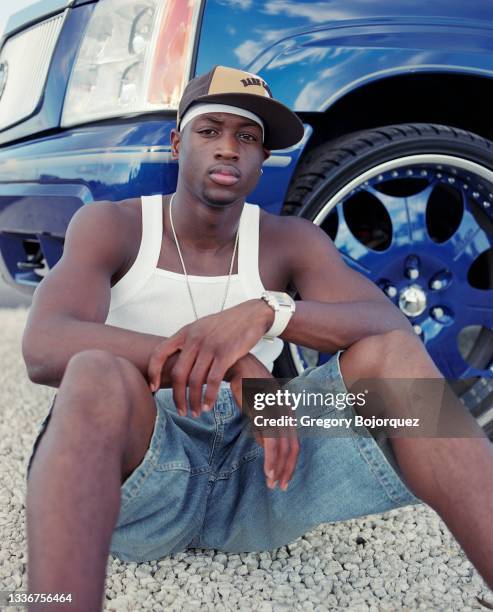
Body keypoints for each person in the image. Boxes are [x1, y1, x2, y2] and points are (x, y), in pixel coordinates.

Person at [23, 65, 493, 611]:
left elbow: (388, 327)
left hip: (265, 473)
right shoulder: (116, 225)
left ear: (263, 157)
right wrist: (229, 365)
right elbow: (45, 344)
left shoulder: (288, 241)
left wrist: (269, 313)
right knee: (94, 372)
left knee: (391, 362)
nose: (229, 148)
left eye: (247, 137)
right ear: (178, 143)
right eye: (210, 131)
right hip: (149, 481)